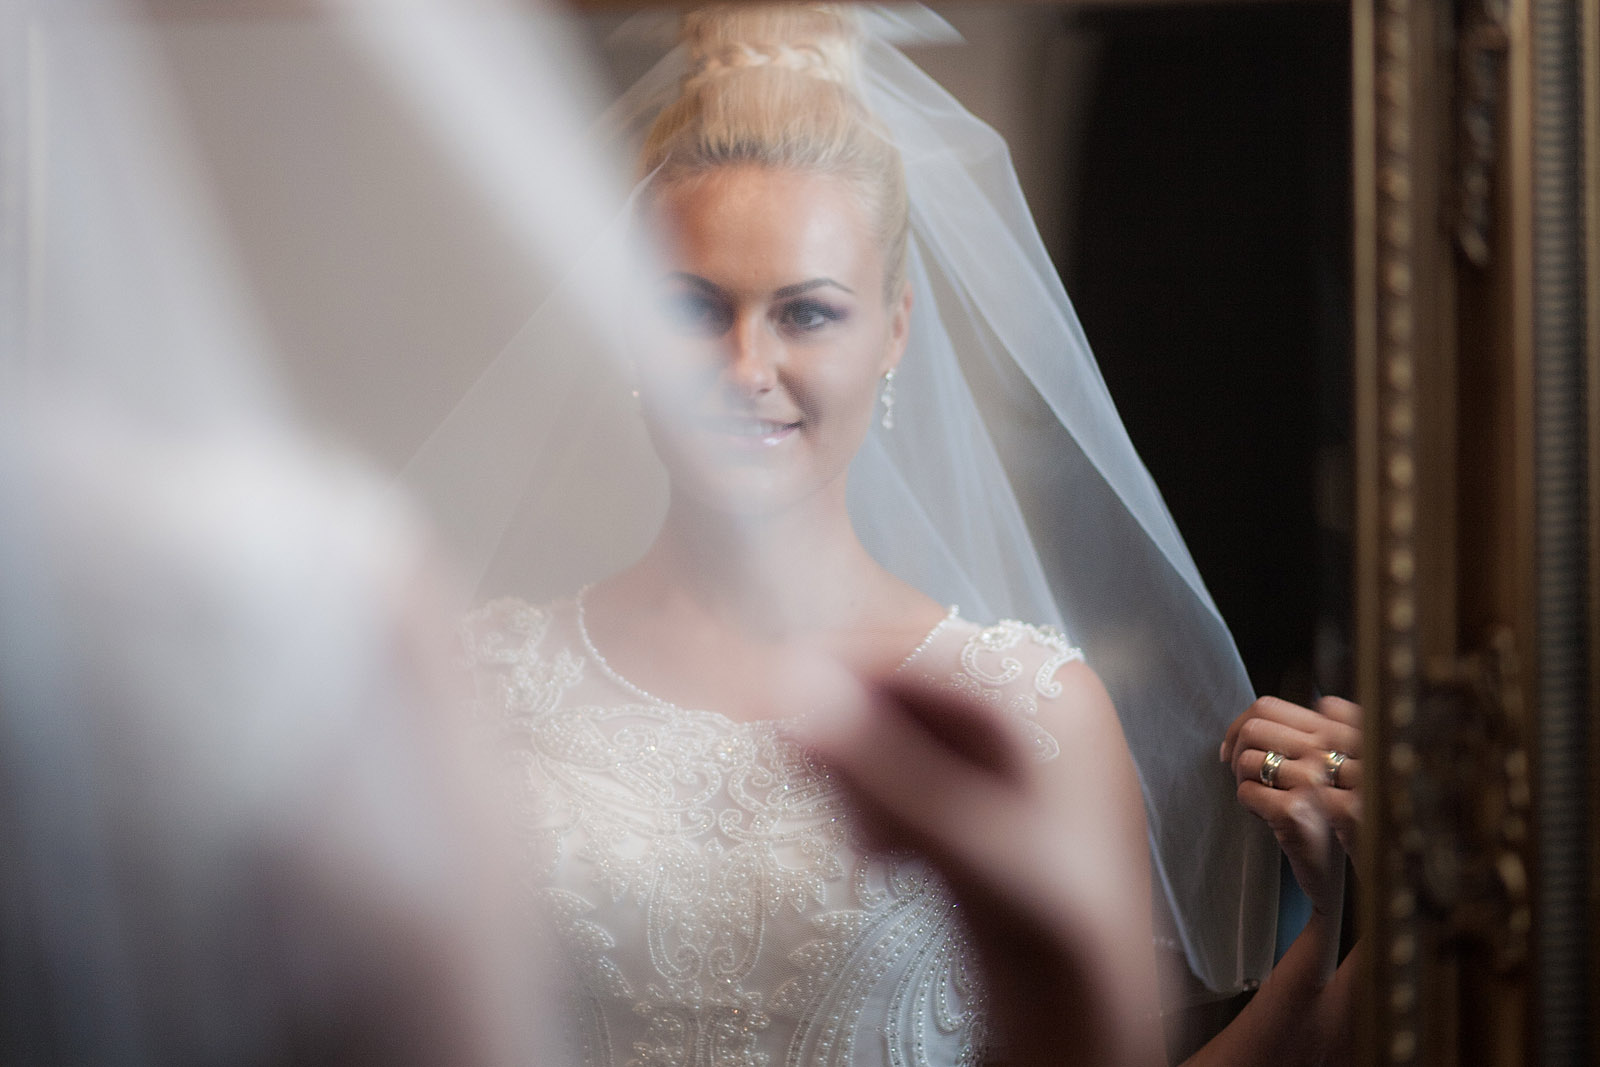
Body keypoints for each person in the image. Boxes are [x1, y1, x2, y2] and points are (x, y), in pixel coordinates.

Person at [443, 5, 1299, 1064]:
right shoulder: (481, 683)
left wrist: (1333, 969)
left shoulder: (1034, 713)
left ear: (894, 328)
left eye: (805, 313)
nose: (746, 368)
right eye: (693, 311)